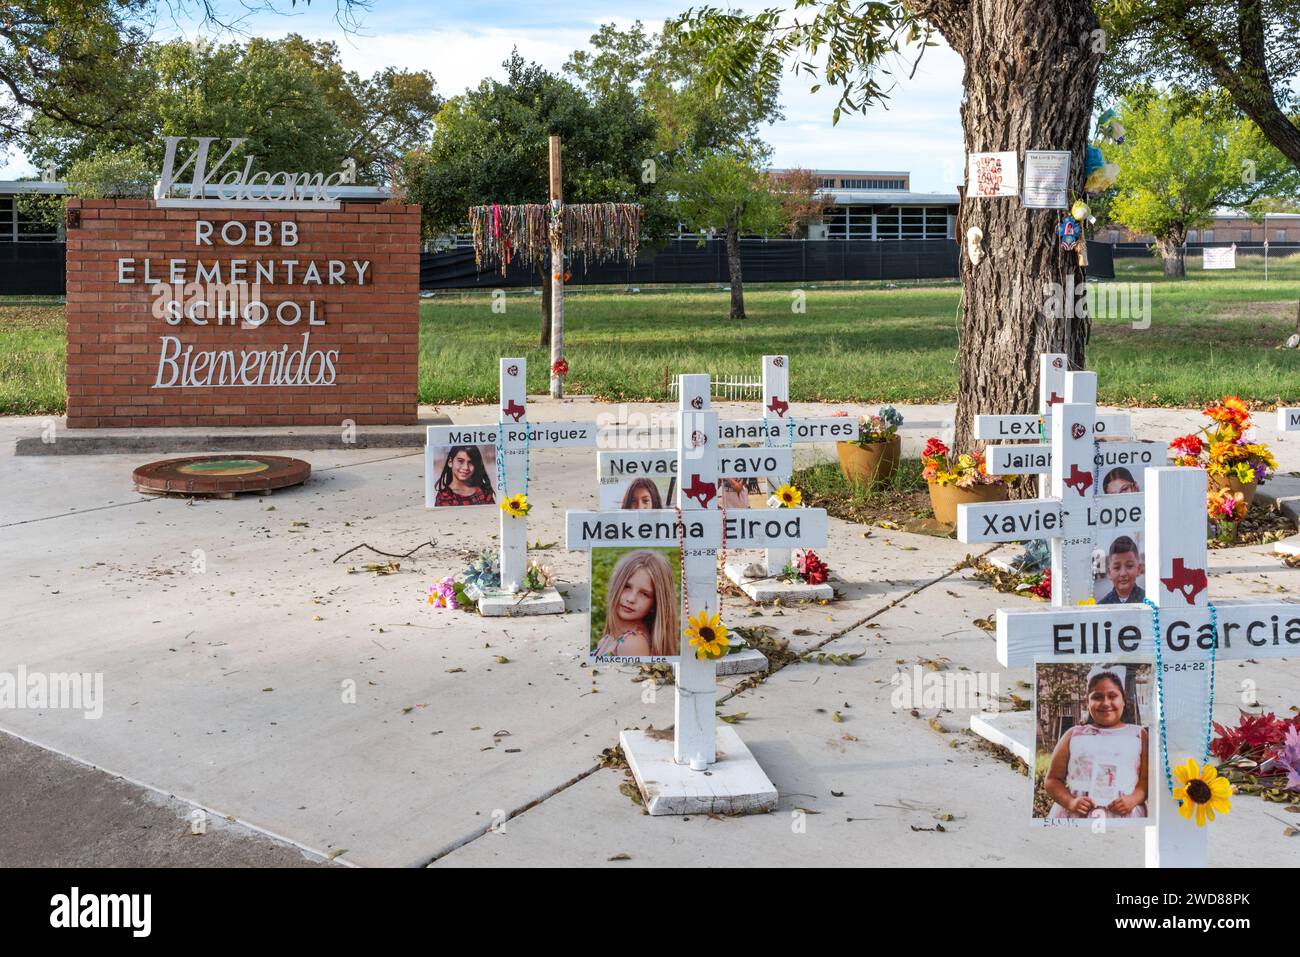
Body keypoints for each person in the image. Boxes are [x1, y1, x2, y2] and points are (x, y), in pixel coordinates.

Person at [1044, 666, 1148, 820]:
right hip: (1076, 816)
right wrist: (1071, 802)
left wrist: (1133, 800)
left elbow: (1145, 781)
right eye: (1097, 697)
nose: (1105, 703)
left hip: (1125, 816)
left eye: (1112, 696)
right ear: (1087, 702)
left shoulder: (1139, 735)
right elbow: (1052, 780)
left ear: (1123, 700)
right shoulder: (1073, 735)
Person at [592, 550, 678, 659]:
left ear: (654, 605)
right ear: (616, 585)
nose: (631, 599)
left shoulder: (632, 644)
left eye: (644, 594)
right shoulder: (614, 637)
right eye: (627, 586)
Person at [1097, 535, 1145, 604]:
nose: (1123, 573)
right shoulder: (1101, 607)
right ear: (1109, 572)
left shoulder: (1149, 603)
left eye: (1129, 566)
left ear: (1138, 569)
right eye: (1117, 567)